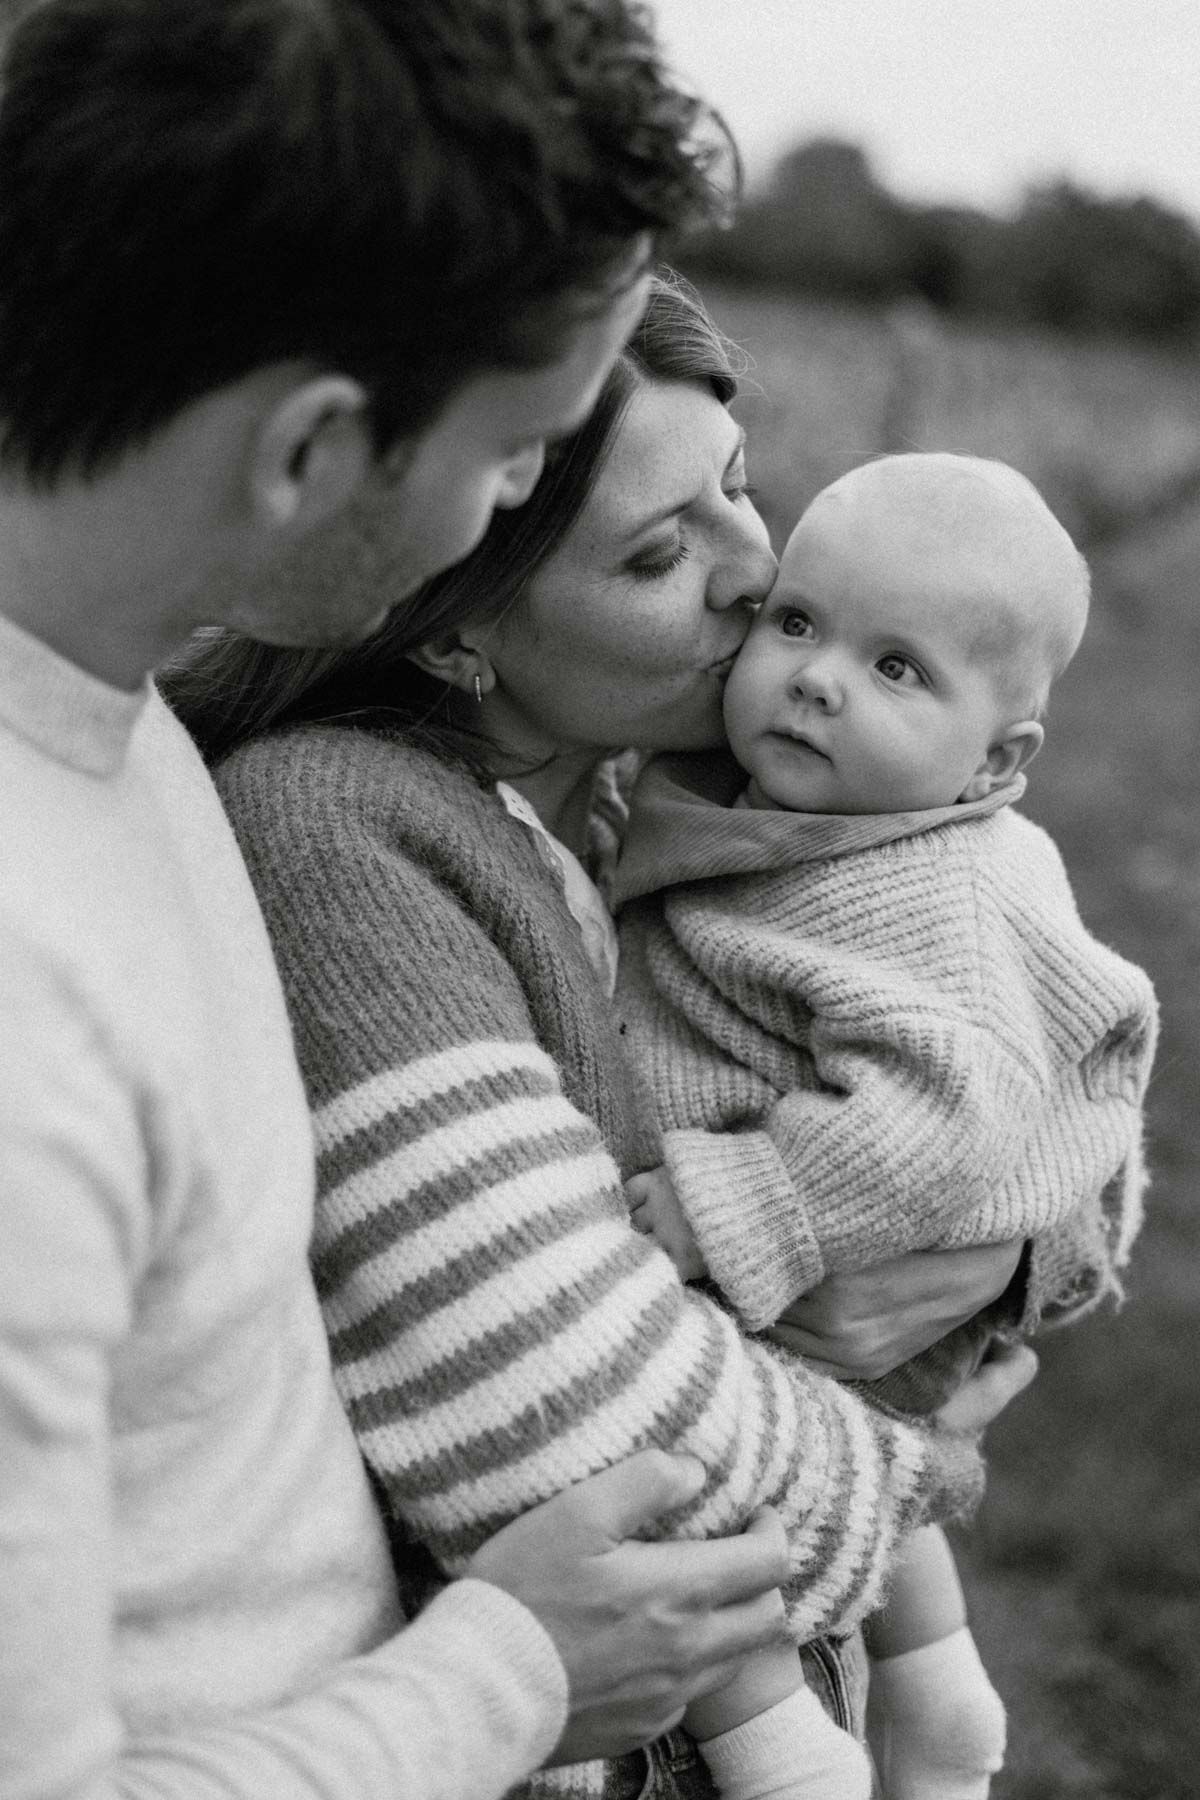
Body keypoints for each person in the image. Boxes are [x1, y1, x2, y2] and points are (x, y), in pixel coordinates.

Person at [0, 7, 815, 1798]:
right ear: (307, 451)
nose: (513, 500)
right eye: (519, 451)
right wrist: (515, 1676)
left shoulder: (109, 719)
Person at [168, 278, 1037, 1800]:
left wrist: (999, 1257)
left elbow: (1040, 1055)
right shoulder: (340, 830)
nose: (758, 572)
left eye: (738, 488)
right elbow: (563, 1396)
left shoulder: (704, 814)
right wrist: (920, 1464)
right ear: (455, 628)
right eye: (658, 553)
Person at [612, 452, 1159, 1799]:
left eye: (897, 668)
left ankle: (774, 1744)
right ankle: (942, 1688)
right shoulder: (798, 815)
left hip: (843, 1246)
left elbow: (939, 1119)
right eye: (798, 623)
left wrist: (725, 1208)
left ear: (1001, 756)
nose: (816, 677)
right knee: (824, 1441)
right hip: (876, 1292)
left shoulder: (925, 894)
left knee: (671, 1450)